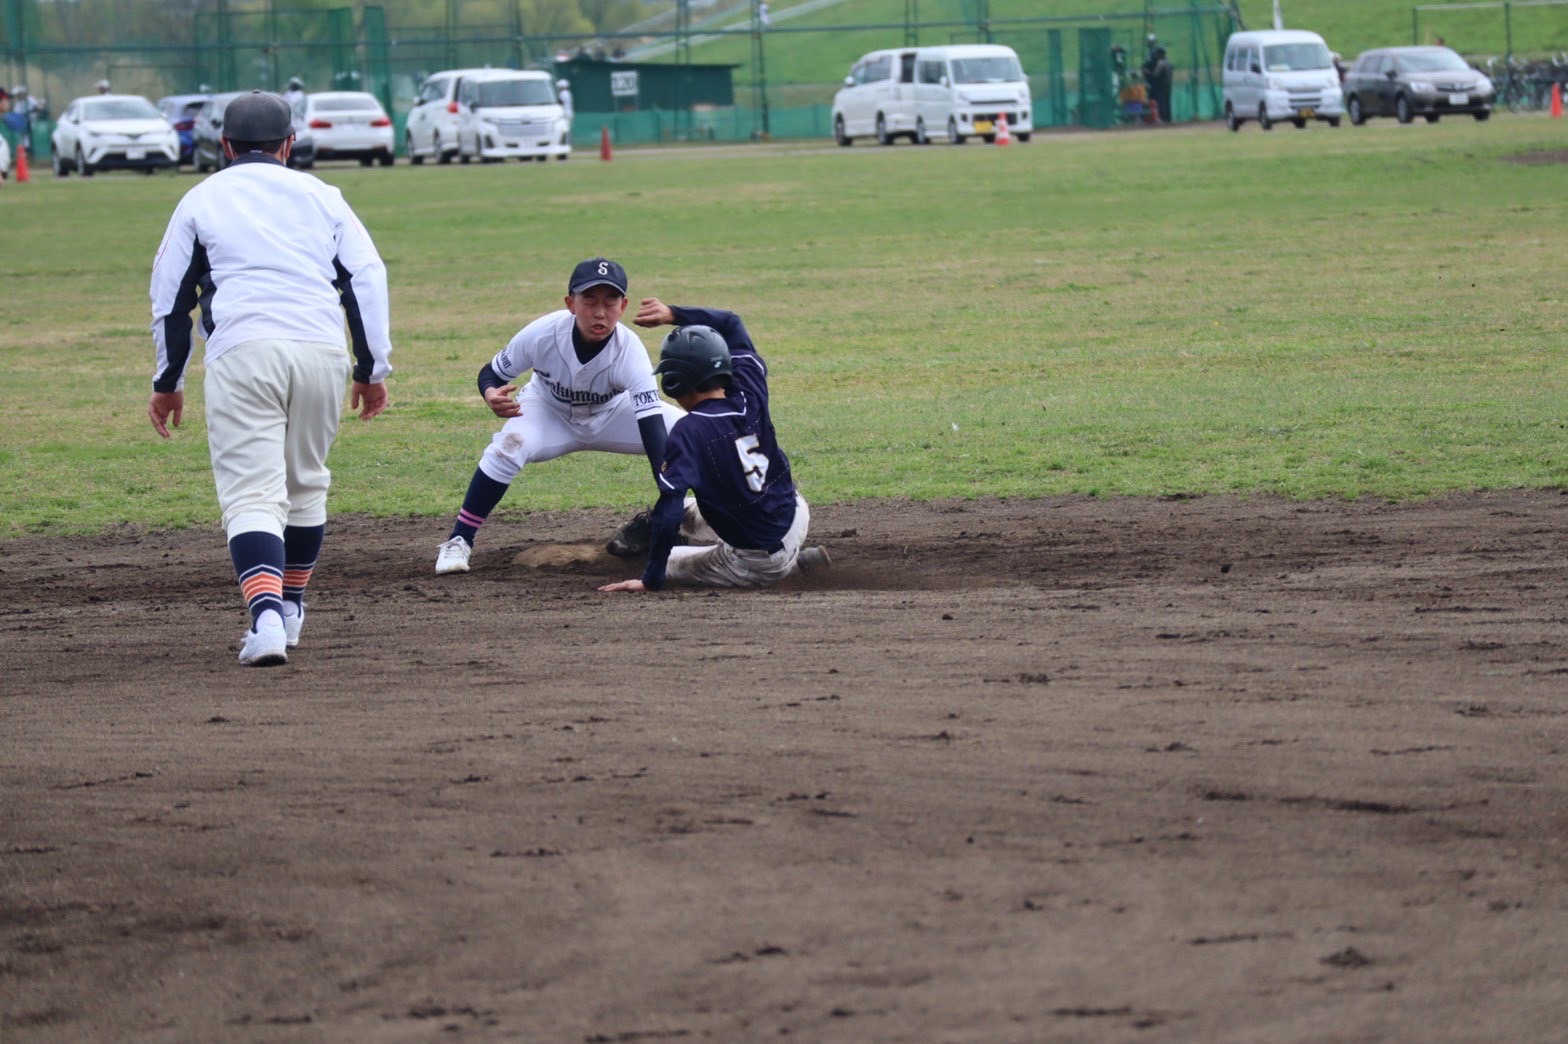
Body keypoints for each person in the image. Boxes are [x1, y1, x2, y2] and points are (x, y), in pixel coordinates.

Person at [148, 90, 393, 666]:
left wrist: (168, 381)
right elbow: (366, 278)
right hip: (320, 350)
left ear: (224, 146)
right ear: (289, 145)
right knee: (305, 484)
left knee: (253, 494)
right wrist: (370, 368)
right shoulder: (323, 195)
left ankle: (264, 622)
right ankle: (291, 607)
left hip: (244, 352)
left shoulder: (200, 198)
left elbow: (170, 299)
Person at [434, 258, 684, 575]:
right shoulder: (542, 333)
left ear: (623, 306)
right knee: (509, 444)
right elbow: (491, 373)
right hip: (547, 411)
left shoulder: (630, 351)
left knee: (690, 432)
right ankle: (459, 540)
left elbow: (652, 432)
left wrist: (669, 500)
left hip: (613, 414)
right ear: (570, 303)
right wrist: (490, 394)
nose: (600, 311)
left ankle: (696, 522)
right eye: (589, 300)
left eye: (610, 301)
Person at [598, 299, 830, 594]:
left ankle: (790, 567)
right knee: (687, 511)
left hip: (758, 561)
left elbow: (668, 513)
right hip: (795, 513)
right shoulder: (749, 387)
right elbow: (731, 322)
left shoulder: (689, 431)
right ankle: (793, 557)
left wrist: (650, 579)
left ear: (676, 382)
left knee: (666, 558)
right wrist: (674, 314)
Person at [1143, 46, 1173, 123]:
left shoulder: (1161, 63)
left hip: (1161, 86)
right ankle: (1167, 119)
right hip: (1168, 85)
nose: (1156, 55)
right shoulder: (1168, 62)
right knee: (1166, 102)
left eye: (1157, 54)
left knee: (1161, 102)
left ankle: (1162, 118)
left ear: (1160, 54)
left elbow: (1155, 75)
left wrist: (1147, 72)